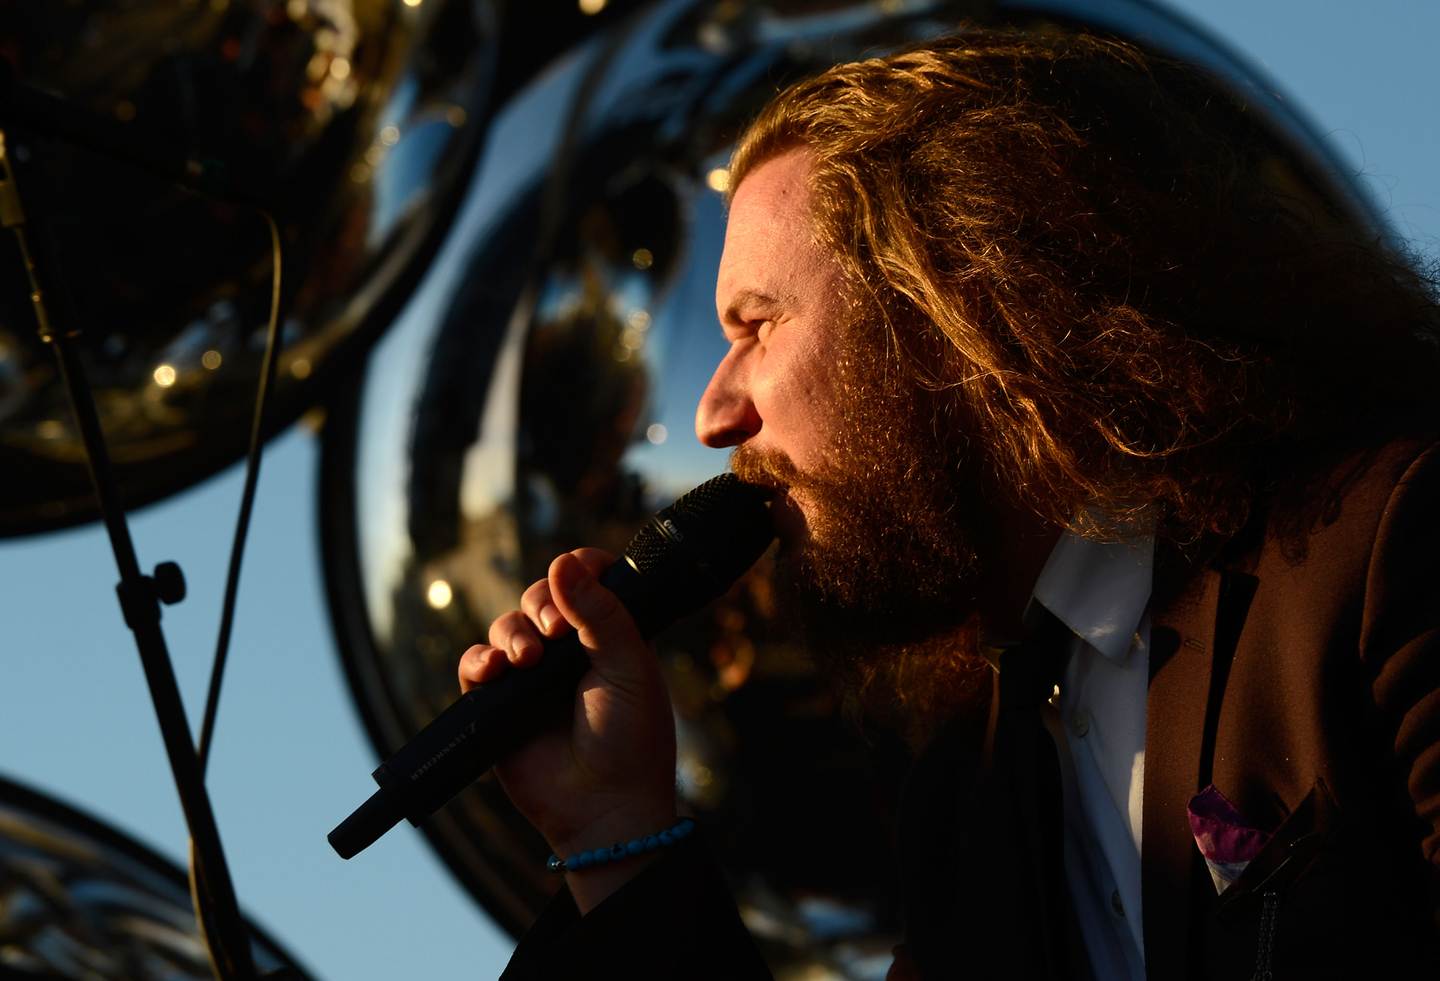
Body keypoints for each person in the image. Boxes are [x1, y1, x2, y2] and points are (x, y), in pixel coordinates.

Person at [458, 31, 1440, 980]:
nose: (715, 413)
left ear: (952, 301)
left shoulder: (1393, 543)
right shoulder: (966, 802)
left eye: (757, 324)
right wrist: (612, 828)